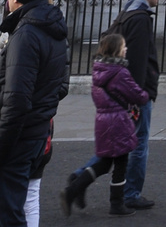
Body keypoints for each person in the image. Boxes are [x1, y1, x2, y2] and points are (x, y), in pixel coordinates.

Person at [0, 0, 68, 227]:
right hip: (38, 130)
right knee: (22, 201)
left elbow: (17, 99)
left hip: (20, 134)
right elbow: (59, 84)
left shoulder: (26, 34)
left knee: (9, 212)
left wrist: (3, 145)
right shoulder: (51, 28)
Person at [60, 32, 150, 217]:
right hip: (118, 121)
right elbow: (136, 95)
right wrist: (146, 95)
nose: (126, 49)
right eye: (123, 46)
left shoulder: (99, 70)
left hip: (103, 120)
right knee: (120, 163)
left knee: (105, 162)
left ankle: (74, 190)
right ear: (116, 50)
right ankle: (116, 204)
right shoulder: (120, 72)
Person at [106, 0, 160, 211]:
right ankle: (131, 193)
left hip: (120, 90)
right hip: (137, 93)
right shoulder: (139, 18)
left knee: (115, 144)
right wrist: (137, 96)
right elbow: (137, 61)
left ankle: (80, 179)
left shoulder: (125, 13)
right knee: (137, 145)